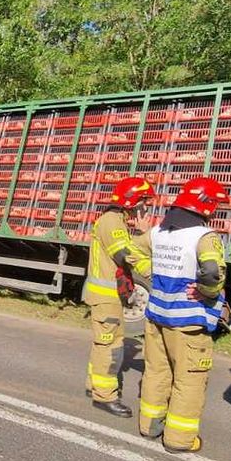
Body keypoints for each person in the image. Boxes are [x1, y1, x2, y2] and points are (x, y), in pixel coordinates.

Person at [136, 177, 228, 453]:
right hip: (188, 322)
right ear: (207, 206)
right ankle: (179, 439)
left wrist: (152, 275)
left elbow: (133, 252)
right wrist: (207, 291)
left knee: (156, 371)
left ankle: (149, 426)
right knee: (189, 379)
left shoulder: (157, 232)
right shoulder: (204, 236)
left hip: (156, 316)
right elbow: (212, 272)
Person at [83, 176, 156, 417]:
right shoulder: (112, 222)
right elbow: (126, 256)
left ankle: (94, 385)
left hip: (109, 297)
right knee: (111, 348)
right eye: (144, 202)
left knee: (103, 344)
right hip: (106, 298)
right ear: (132, 202)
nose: (145, 208)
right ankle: (105, 396)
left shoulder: (117, 222)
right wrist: (147, 240)